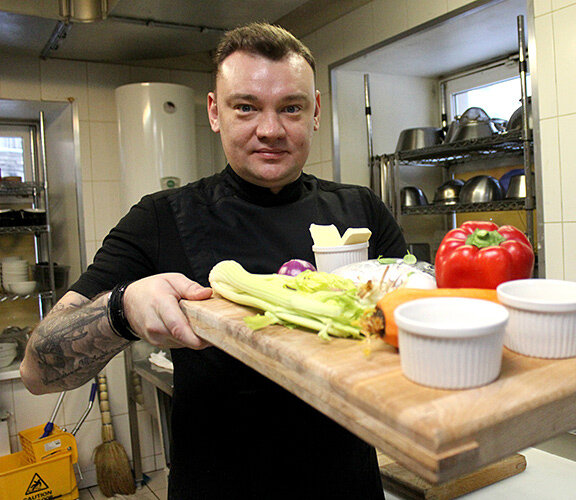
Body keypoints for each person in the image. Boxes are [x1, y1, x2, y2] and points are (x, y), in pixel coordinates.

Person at [21, 22, 406, 499]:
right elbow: (36, 371)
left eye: (291, 107)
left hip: (346, 485)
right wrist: (121, 308)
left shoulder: (361, 210)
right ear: (214, 112)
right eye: (245, 107)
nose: (270, 130)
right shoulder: (161, 217)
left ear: (316, 112)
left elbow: (409, 331)